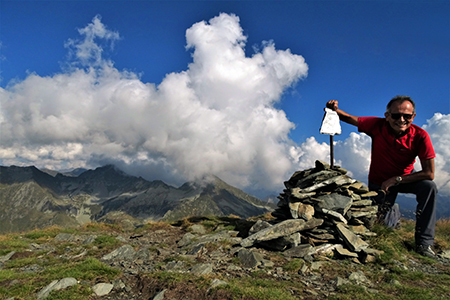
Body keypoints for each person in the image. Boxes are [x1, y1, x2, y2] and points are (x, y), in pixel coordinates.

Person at [326, 96, 438, 258]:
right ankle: (394, 215)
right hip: (379, 182)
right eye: (395, 115)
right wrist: (334, 109)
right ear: (387, 116)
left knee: (429, 187)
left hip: (405, 179)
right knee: (379, 227)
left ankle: (424, 244)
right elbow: (350, 118)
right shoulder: (377, 125)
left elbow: (430, 173)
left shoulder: (421, 136)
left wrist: (396, 179)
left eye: (407, 116)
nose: (401, 120)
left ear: (413, 117)